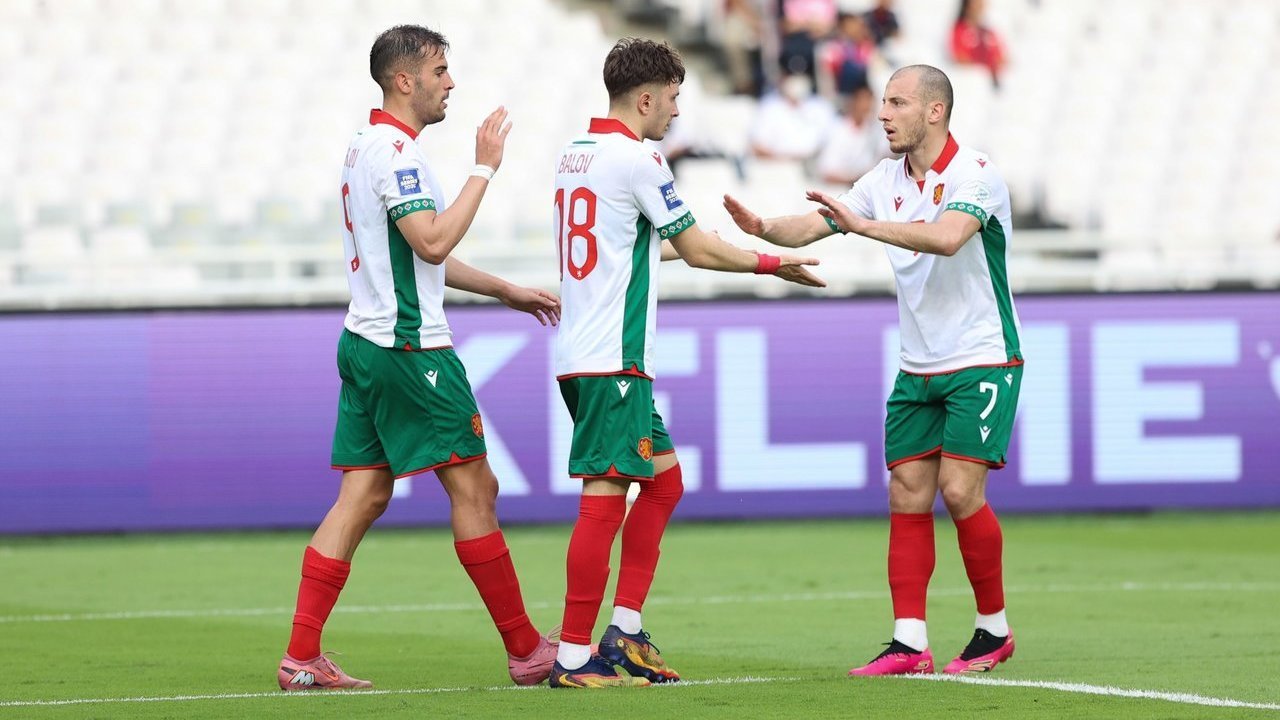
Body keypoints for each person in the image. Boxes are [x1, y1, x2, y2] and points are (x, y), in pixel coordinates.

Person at [277, 25, 563, 691]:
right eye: (438, 70)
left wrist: (504, 290)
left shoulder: (365, 145)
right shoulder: (399, 155)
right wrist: (484, 167)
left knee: (365, 491)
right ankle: (526, 649)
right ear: (403, 80)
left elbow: (416, 251)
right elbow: (431, 242)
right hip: (410, 348)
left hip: (365, 341)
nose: (450, 83)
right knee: (475, 487)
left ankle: (301, 657)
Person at [723, 64, 1022, 677]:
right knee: (907, 493)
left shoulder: (976, 175)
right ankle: (909, 642)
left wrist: (862, 226)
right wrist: (764, 229)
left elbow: (946, 238)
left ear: (934, 112)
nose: (883, 113)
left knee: (960, 490)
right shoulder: (884, 178)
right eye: (883, 102)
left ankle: (993, 630)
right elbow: (818, 221)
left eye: (898, 102)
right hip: (918, 365)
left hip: (981, 356)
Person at [549, 38, 825, 689]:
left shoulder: (575, 155)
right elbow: (696, 250)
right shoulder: (639, 158)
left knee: (665, 483)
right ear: (645, 97)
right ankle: (570, 656)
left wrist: (724, 246)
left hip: (587, 353)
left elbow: (642, 248)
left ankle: (625, 630)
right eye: (672, 98)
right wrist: (773, 261)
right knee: (606, 497)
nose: (675, 111)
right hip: (612, 358)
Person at [814, 84, 891, 185]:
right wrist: (854, 181)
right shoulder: (837, 130)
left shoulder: (876, 130)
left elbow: (886, 158)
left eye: (870, 102)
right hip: (839, 189)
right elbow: (826, 173)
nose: (868, 106)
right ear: (854, 103)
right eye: (864, 101)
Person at [951, 0, 1006, 87]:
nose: (981, 4)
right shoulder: (959, 31)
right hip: (973, 85)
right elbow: (960, 60)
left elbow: (1002, 58)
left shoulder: (989, 32)